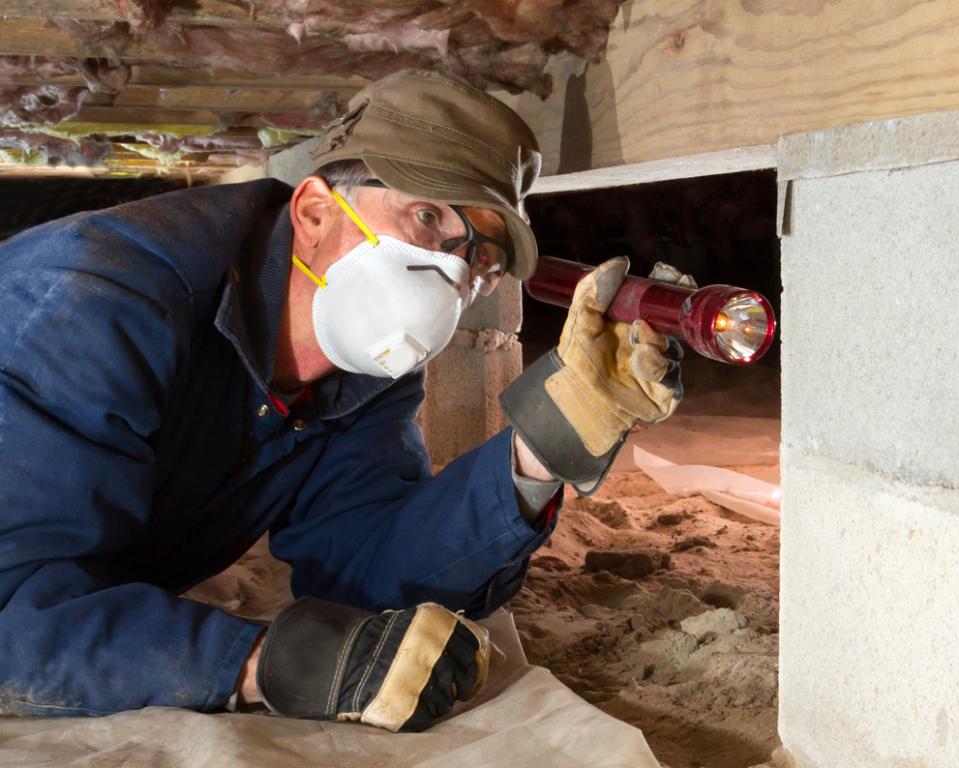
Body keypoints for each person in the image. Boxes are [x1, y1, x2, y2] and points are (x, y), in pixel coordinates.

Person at [0, 69, 682, 732]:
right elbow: (11, 615)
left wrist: (541, 449)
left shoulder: (364, 376)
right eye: (427, 216)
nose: (453, 273)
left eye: (481, 257)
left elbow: (369, 572)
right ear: (315, 212)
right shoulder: (95, 303)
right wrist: (267, 663)